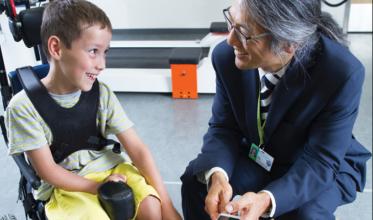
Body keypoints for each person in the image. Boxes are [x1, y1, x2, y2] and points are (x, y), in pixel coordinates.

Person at [181, 0, 371, 219]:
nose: (230, 39)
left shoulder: (340, 73)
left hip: (319, 162)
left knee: (306, 214)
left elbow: (321, 161)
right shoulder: (225, 57)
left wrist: (267, 199)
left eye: (243, 33)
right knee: (197, 181)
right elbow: (224, 127)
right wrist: (218, 174)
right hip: (263, 152)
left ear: (288, 43)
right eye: (231, 22)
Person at [5, 1, 181, 219]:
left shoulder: (102, 93)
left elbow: (137, 149)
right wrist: (97, 187)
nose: (102, 64)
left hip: (113, 169)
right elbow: (48, 171)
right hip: (66, 185)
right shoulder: (23, 107)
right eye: (93, 51)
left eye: (104, 52)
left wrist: (168, 205)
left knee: (152, 208)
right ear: (56, 48)